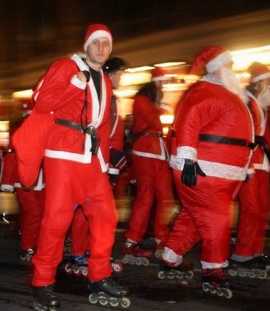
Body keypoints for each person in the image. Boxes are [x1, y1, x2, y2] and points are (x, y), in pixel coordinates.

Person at [19, 23, 130, 309]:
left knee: (106, 217)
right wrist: (75, 84)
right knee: (57, 221)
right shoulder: (65, 66)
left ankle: (99, 275)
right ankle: (43, 282)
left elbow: (103, 126)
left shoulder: (105, 81)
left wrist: (106, 163)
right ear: (86, 45)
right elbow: (42, 103)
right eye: (97, 43)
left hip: (92, 161)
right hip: (64, 155)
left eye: (107, 43)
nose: (102, 48)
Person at [161, 46, 253, 298]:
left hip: (217, 170)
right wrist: (187, 159)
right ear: (218, 68)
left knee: (194, 217)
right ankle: (214, 269)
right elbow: (189, 120)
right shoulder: (205, 92)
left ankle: (171, 257)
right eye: (229, 65)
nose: (233, 70)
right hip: (203, 170)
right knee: (216, 218)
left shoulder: (224, 93)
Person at [63, 57, 128, 276]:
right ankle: (78, 251)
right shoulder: (100, 94)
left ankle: (94, 249)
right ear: (109, 74)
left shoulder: (112, 97)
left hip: (102, 158)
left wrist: (113, 163)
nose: (121, 77)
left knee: (100, 210)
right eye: (119, 73)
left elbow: (112, 132)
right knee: (82, 207)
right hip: (88, 156)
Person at [230, 62, 270, 277]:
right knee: (251, 209)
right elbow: (244, 135)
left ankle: (255, 251)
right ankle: (242, 254)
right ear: (262, 82)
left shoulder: (260, 104)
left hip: (261, 163)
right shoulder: (246, 102)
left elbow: (265, 135)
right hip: (249, 162)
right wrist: (246, 164)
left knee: (262, 209)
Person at [123, 74, 175, 264]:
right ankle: (132, 240)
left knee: (165, 198)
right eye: (161, 89)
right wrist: (163, 108)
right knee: (145, 197)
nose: (163, 94)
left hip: (158, 152)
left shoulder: (148, 103)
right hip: (146, 151)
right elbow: (153, 121)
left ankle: (161, 238)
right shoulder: (141, 101)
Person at [0, 101, 45, 262]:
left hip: (41, 180)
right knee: (34, 213)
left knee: (34, 214)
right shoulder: (22, 132)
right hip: (24, 181)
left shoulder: (44, 130)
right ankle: (29, 246)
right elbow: (11, 157)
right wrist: (7, 181)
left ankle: (35, 244)